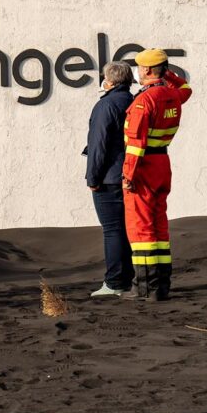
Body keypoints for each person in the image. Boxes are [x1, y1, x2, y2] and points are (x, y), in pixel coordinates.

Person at [121, 48, 193, 301]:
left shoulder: (144, 101)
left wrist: (128, 176)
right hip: (162, 163)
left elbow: (135, 144)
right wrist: (166, 72)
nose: (138, 73)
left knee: (141, 229)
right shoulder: (173, 95)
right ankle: (161, 285)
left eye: (141, 68)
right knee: (160, 226)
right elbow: (186, 89)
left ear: (147, 70)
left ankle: (143, 288)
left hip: (143, 167)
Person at [84, 61, 135, 298]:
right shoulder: (134, 101)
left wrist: (92, 177)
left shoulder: (106, 105)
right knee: (126, 229)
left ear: (110, 81)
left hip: (109, 177)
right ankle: (128, 278)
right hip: (131, 174)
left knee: (113, 230)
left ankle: (115, 282)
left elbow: (99, 145)